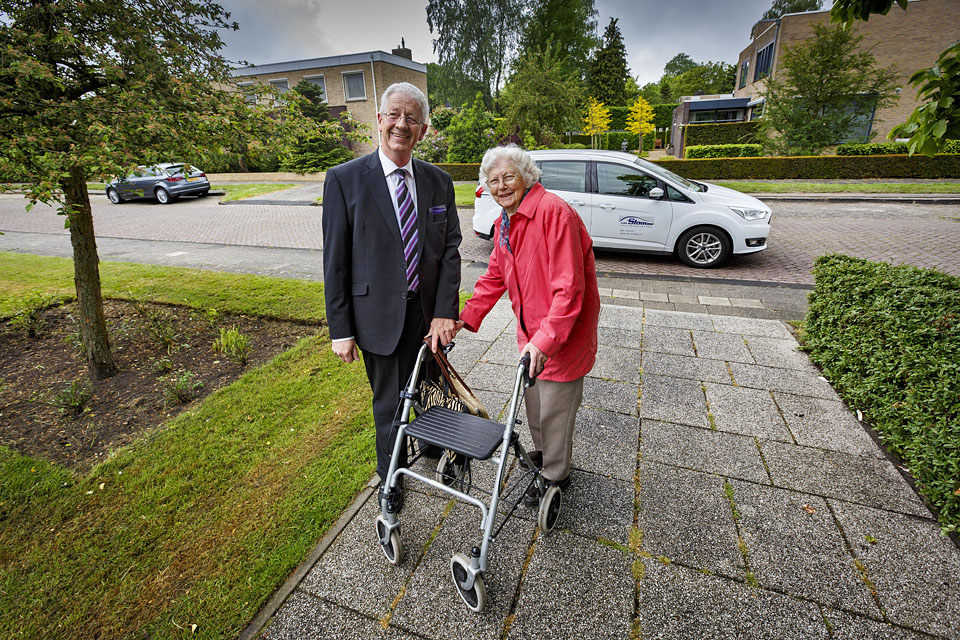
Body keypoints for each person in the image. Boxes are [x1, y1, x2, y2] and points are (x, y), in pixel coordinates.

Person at [322, 82, 461, 512]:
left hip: (427, 320)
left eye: (412, 118)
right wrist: (340, 330)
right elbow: (336, 262)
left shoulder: (439, 182)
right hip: (376, 318)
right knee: (389, 408)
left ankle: (436, 446)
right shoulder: (344, 180)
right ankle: (392, 480)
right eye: (394, 115)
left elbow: (451, 248)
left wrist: (444, 312)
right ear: (379, 121)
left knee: (434, 391)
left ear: (423, 130)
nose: (402, 124)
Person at [455, 145, 599, 505]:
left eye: (508, 177)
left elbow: (570, 288)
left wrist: (545, 341)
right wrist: (464, 318)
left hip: (560, 337)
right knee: (534, 403)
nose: (501, 186)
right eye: (493, 181)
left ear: (527, 177)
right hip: (532, 334)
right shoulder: (506, 221)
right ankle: (544, 456)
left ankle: (556, 475)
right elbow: (494, 277)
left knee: (555, 410)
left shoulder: (554, 213)